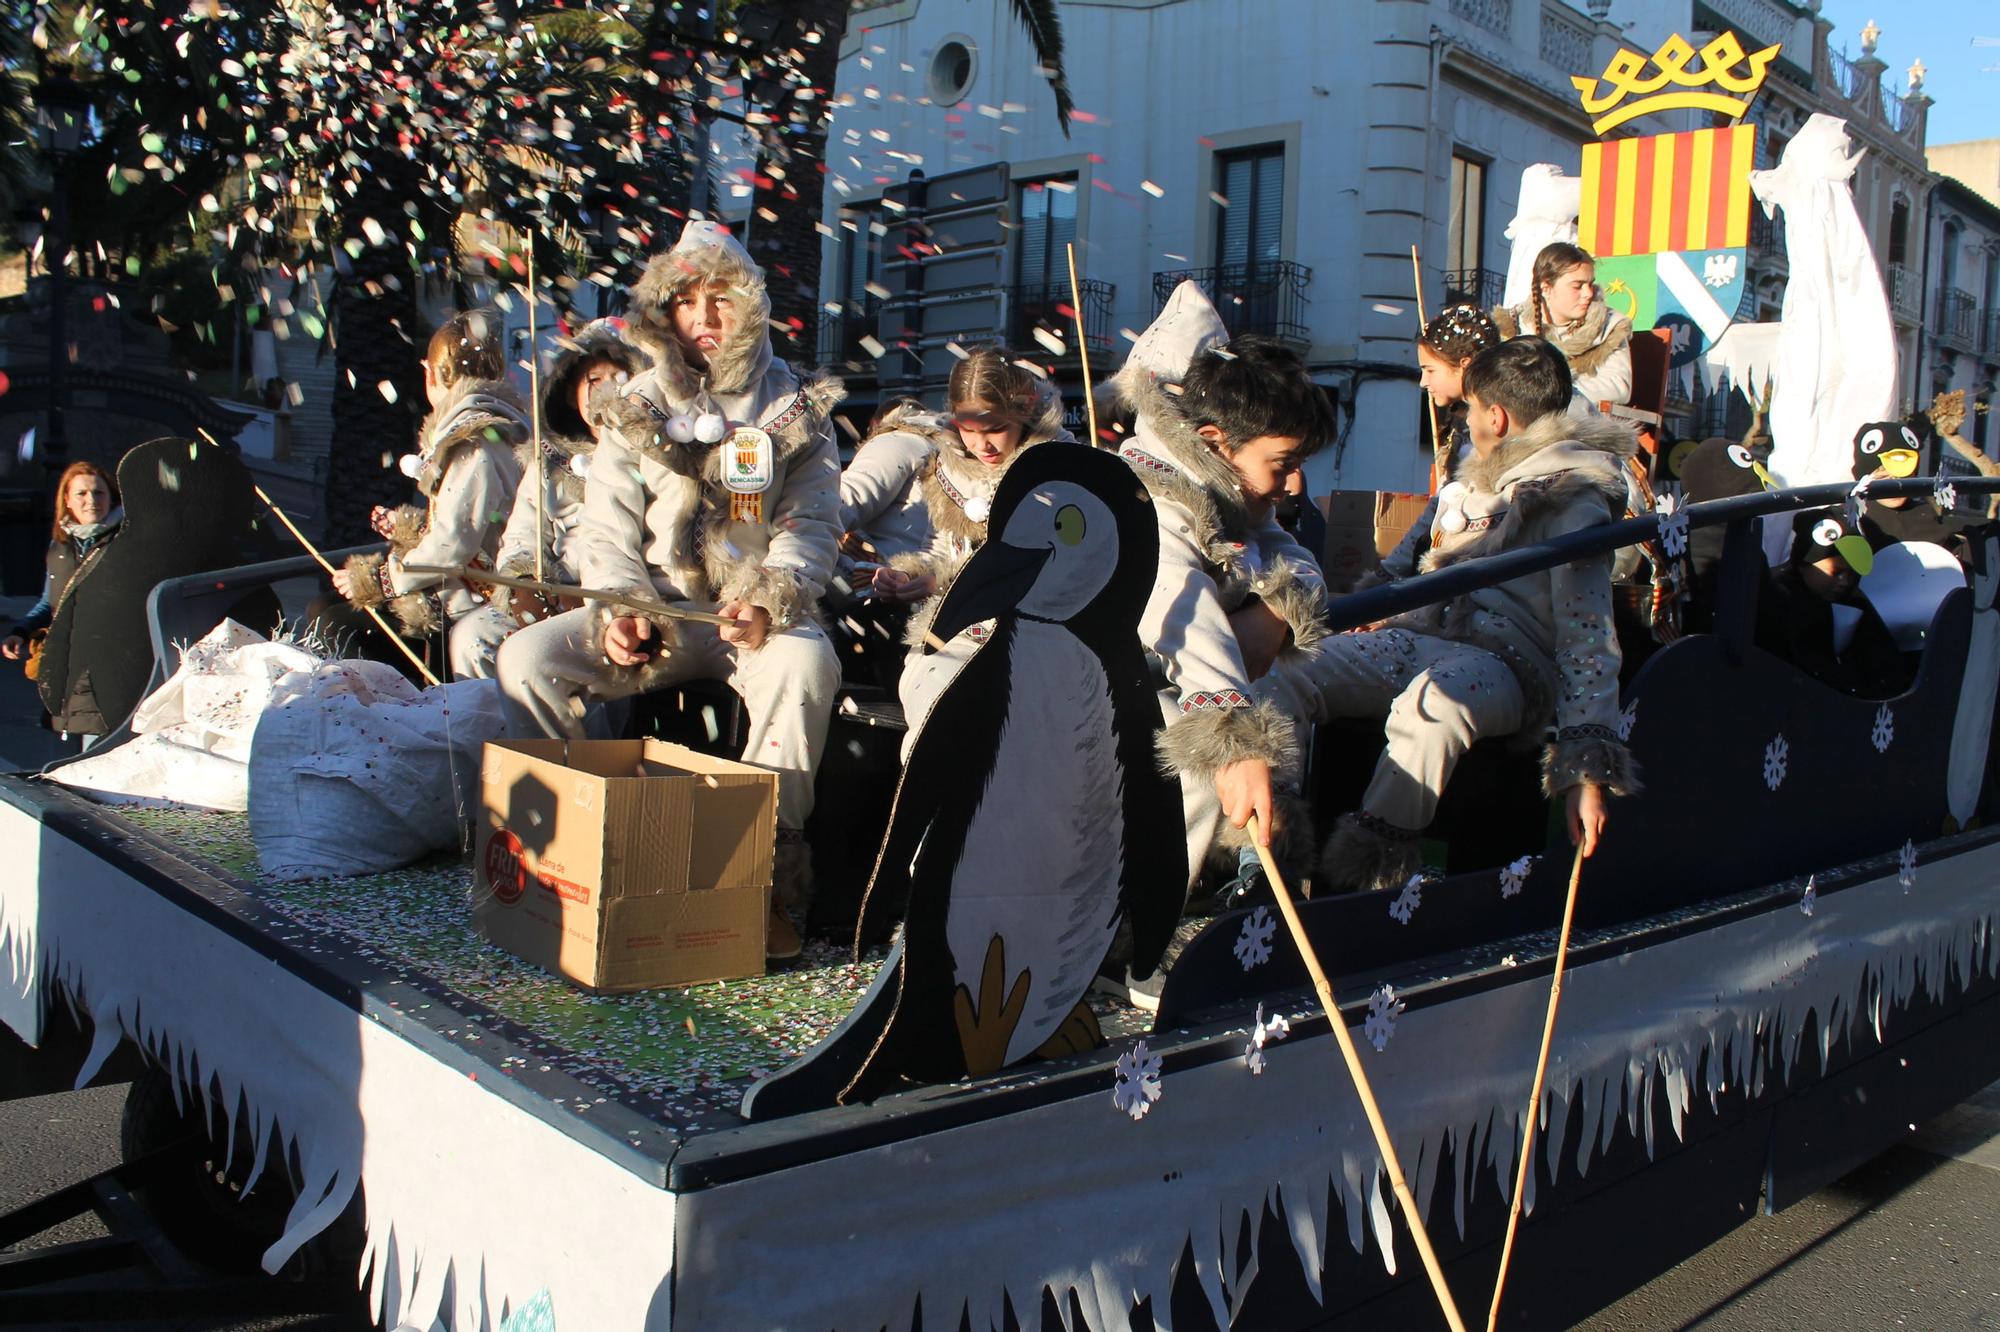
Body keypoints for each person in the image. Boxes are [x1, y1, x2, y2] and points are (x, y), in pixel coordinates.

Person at [493, 219, 844, 962]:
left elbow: (812, 525)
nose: (706, 319)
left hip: (754, 616)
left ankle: (765, 880)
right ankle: (570, 847)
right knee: (527, 659)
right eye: (688, 302)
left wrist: (771, 597)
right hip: (657, 614)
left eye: (722, 300)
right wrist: (619, 612)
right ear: (664, 311)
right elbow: (605, 530)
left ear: (749, 304)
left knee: (806, 666)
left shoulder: (798, 410)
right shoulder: (632, 406)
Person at [1313, 337, 1639, 891]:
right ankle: (1257, 857)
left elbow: (1589, 637)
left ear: (1497, 415)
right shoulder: (1471, 482)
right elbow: (1413, 569)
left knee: (1433, 707)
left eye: (1468, 408)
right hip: (1426, 633)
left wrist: (1586, 768)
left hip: (1509, 663)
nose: (1461, 419)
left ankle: (1368, 874)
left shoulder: (1573, 501)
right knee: (1301, 668)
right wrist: (1380, 610)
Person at [1111, 283, 1339, 907]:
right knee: (1198, 759)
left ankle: (1254, 866)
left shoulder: (1228, 492)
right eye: (1283, 462)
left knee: (1294, 687)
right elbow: (1183, 611)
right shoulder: (1152, 501)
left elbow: (1293, 556)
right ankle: (1133, 926)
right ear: (1213, 440)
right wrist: (1234, 740)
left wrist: (1277, 611)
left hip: (1174, 675)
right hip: (1108, 680)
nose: (1295, 483)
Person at [332, 309, 528, 679]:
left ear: (437, 373)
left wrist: (379, 580)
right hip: (460, 591)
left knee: (333, 622)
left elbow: (454, 544)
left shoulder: (474, 443)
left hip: (470, 601)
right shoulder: (496, 431)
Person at [488, 318, 648, 624]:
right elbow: (524, 533)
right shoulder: (548, 463)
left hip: (627, 599)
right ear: (570, 393)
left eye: (619, 376)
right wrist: (526, 582)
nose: (608, 389)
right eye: (595, 380)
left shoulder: (653, 459)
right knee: (475, 634)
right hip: (557, 593)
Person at [1369, 304, 1503, 585]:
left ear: (1464, 364)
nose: (1422, 382)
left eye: (1430, 369)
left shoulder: (1498, 429)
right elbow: (1440, 506)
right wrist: (1389, 573)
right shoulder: (1463, 427)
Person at [2, 461, 122, 735]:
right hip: (65, 665)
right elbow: (49, 602)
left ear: (111, 498)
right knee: (71, 746)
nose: (91, 500)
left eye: (99, 493)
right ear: (67, 500)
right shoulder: (61, 547)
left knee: (100, 743)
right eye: (81, 493)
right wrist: (21, 631)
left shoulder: (124, 542)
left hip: (109, 664)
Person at [1756, 507, 1908, 699]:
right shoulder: (1779, 601)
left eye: (1852, 573)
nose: (1845, 581)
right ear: (1803, 565)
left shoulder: (1856, 603)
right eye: (1836, 571)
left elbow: (1884, 665)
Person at [1493, 242, 1633, 409]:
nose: (1588, 293)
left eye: (1590, 284)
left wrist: (1552, 391)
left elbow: (1618, 386)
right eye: (1577, 286)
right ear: (1546, 288)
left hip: (1579, 424)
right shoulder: (1512, 326)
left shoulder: (1609, 327)